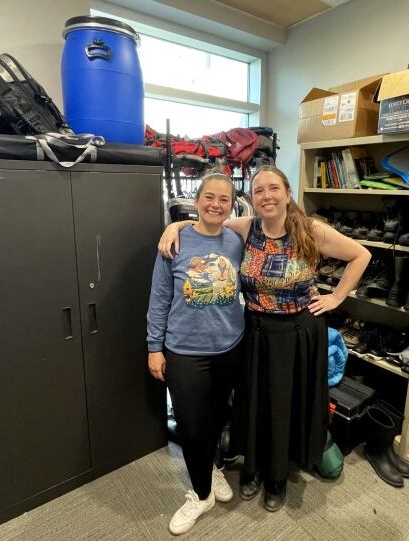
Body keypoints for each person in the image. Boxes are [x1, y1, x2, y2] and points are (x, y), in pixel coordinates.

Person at [158, 165, 370, 512]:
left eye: (273, 189)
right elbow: (208, 223)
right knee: (255, 403)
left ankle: (277, 477)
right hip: (255, 331)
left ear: (287, 193)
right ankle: (253, 469)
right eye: (259, 191)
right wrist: (175, 225)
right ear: (252, 199)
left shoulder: (310, 230)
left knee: (284, 407)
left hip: (296, 333)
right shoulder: (246, 227)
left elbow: (361, 255)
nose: (267, 196)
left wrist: (336, 297)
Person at [146, 172, 244, 535]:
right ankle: (201, 494)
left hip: (229, 347)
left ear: (231, 205)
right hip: (185, 351)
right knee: (191, 426)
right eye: (209, 197)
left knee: (219, 417)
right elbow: (159, 298)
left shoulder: (236, 241)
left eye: (224, 199)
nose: (216, 204)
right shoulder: (174, 242)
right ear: (197, 200)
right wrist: (154, 347)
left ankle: (212, 468)